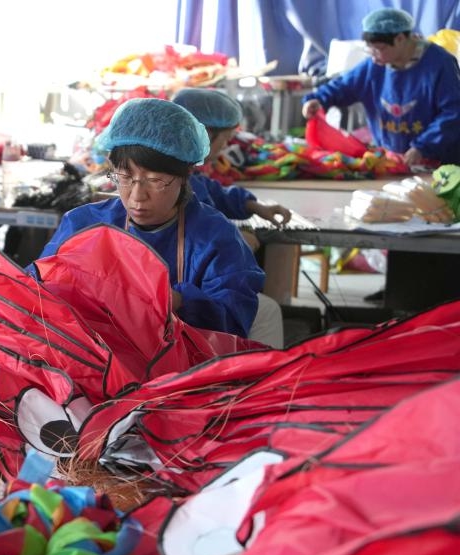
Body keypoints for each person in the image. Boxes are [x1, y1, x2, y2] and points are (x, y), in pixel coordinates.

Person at [39, 98, 265, 339]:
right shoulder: (82, 226)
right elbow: (38, 292)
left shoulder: (216, 238)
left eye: (155, 181)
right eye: (124, 178)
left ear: (186, 174)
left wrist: (178, 301)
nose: (137, 197)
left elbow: (233, 319)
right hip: (96, 363)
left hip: (182, 370)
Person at [301, 8, 460, 167]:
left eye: (380, 48)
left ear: (400, 39)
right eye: (370, 49)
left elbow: (453, 113)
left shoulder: (439, 64)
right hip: (392, 161)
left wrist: (422, 147)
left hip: (438, 162)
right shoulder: (374, 66)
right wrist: (317, 100)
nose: (374, 55)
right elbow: (342, 87)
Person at [172, 87, 292, 242]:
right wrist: (231, 240)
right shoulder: (173, 182)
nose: (226, 146)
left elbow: (213, 192)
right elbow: (196, 227)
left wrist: (253, 206)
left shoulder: (186, 173)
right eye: (226, 139)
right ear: (204, 135)